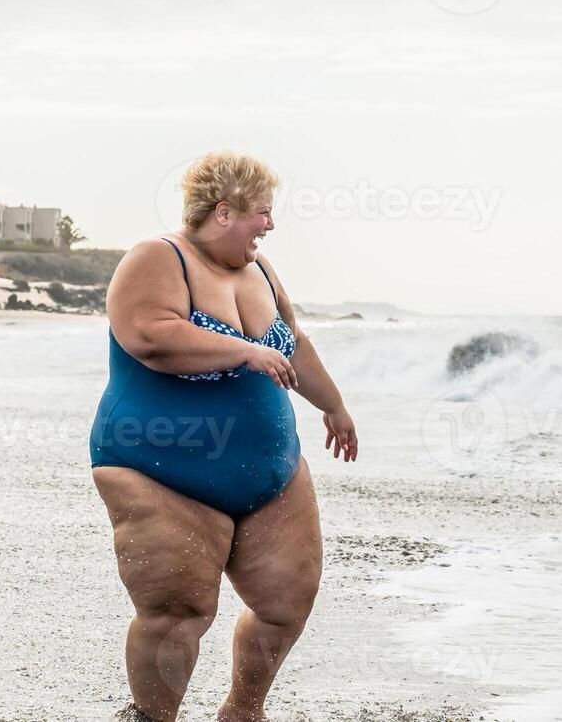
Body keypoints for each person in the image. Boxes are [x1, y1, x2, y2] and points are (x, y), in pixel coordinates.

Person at [88, 151, 358, 722]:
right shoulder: (157, 259)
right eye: (263, 212)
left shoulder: (260, 268)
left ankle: (243, 711)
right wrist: (244, 350)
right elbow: (150, 336)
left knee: (286, 604)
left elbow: (295, 343)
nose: (270, 224)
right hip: (159, 469)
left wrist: (333, 406)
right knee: (176, 610)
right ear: (224, 212)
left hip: (271, 472)